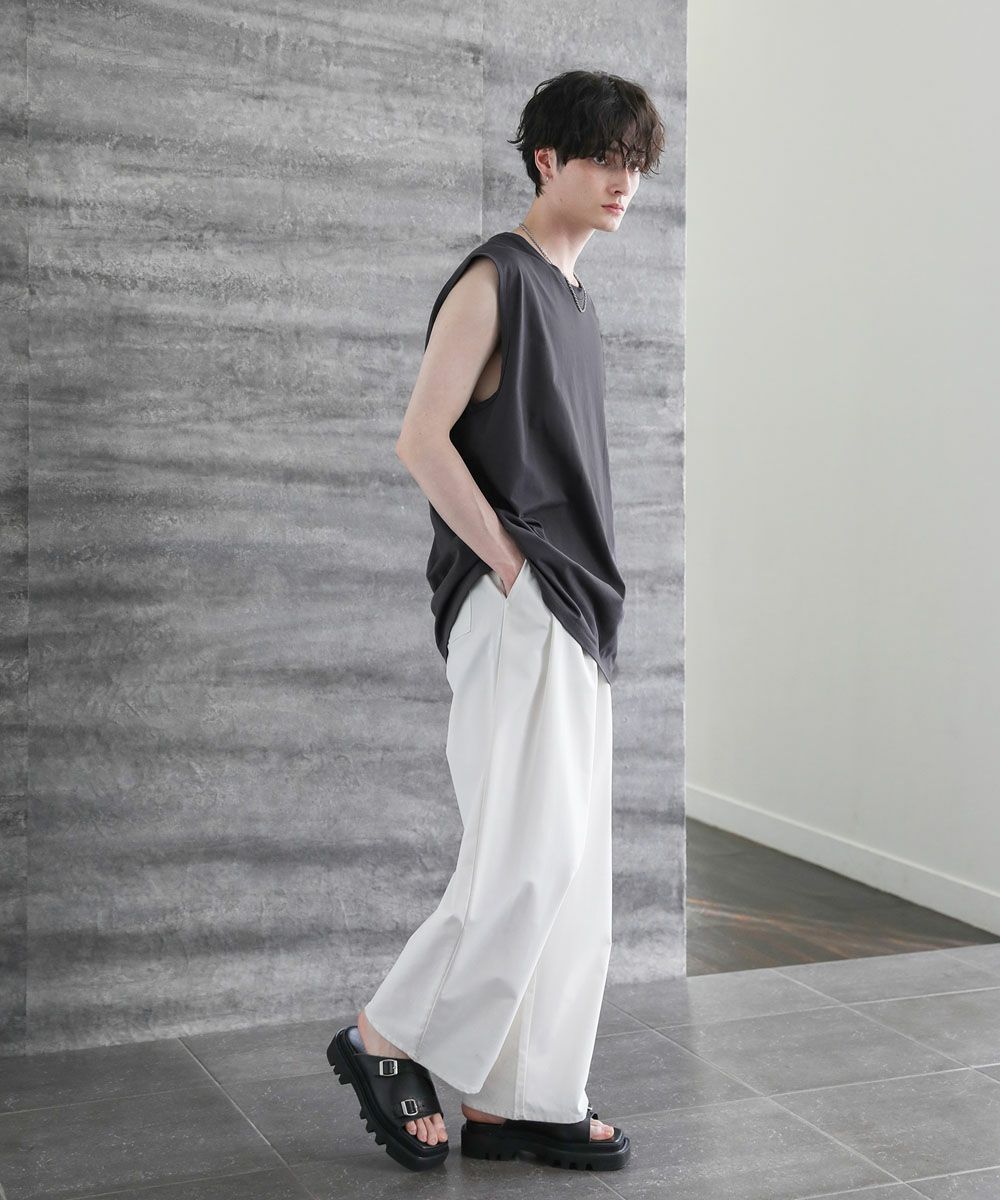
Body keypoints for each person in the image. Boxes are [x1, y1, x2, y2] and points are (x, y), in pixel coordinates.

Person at [327, 68, 665, 1173]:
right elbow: (421, 440)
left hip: (574, 611)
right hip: (521, 604)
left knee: (572, 873)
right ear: (545, 161)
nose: (622, 180)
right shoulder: (497, 279)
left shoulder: (572, 296)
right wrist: (514, 572)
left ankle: (523, 1099)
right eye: (602, 158)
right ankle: (386, 1033)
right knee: (525, 857)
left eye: (634, 163)